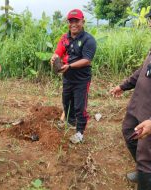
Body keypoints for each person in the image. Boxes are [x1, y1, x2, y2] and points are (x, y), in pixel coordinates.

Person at [110, 1, 151, 189]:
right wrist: (123, 86)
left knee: (148, 154)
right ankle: (143, 171)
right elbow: (143, 70)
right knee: (129, 132)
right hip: (138, 105)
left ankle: (148, 178)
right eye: (150, 18)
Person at [50, 9, 96, 144]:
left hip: (81, 79)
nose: (73, 24)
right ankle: (70, 122)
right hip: (68, 77)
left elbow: (87, 60)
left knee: (80, 106)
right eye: (71, 21)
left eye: (76, 21)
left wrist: (69, 66)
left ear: (83, 22)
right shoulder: (65, 38)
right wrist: (54, 58)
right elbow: (58, 52)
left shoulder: (88, 40)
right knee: (66, 102)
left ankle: (80, 132)